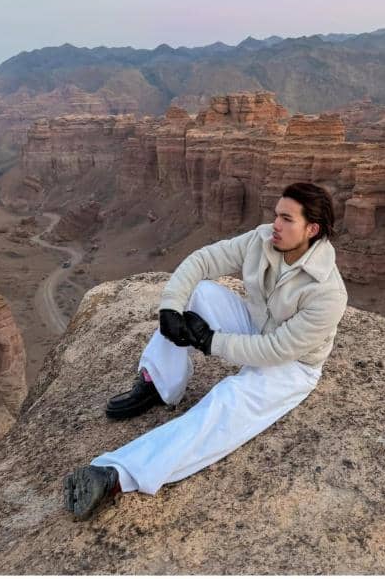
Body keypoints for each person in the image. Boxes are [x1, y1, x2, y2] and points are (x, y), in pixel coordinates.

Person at [63, 182, 348, 520]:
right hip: (254, 325)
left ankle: (116, 475)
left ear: (311, 229)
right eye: (276, 215)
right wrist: (170, 307)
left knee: (225, 400)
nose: (276, 225)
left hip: (290, 366)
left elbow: (276, 350)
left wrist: (210, 341)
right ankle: (160, 381)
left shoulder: (327, 292)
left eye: (287, 219)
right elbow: (204, 259)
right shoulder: (263, 241)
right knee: (198, 293)